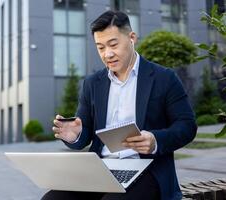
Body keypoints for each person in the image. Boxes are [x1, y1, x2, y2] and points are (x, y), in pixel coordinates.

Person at [42, 10, 196, 200]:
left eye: (113, 44)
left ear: (132, 38)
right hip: (100, 170)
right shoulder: (92, 83)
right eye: (100, 47)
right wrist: (75, 135)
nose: (108, 54)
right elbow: (85, 133)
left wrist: (155, 140)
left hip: (147, 170)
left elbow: (187, 126)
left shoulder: (164, 78)